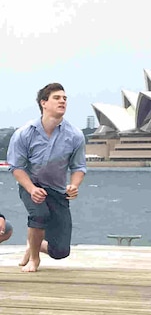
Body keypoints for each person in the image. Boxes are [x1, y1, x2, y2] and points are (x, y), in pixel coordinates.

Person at [7, 83, 86, 273]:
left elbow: (79, 167)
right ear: (44, 103)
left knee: (60, 252)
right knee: (39, 214)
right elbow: (16, 167)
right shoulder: (24, 133)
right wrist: (31, 189)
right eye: (57, 98)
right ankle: (34, 260)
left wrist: (74, 185)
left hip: (58, 191)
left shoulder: (75, 135)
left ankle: (34, 245)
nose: (62, 101)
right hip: (32, 186)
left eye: (65, 98)